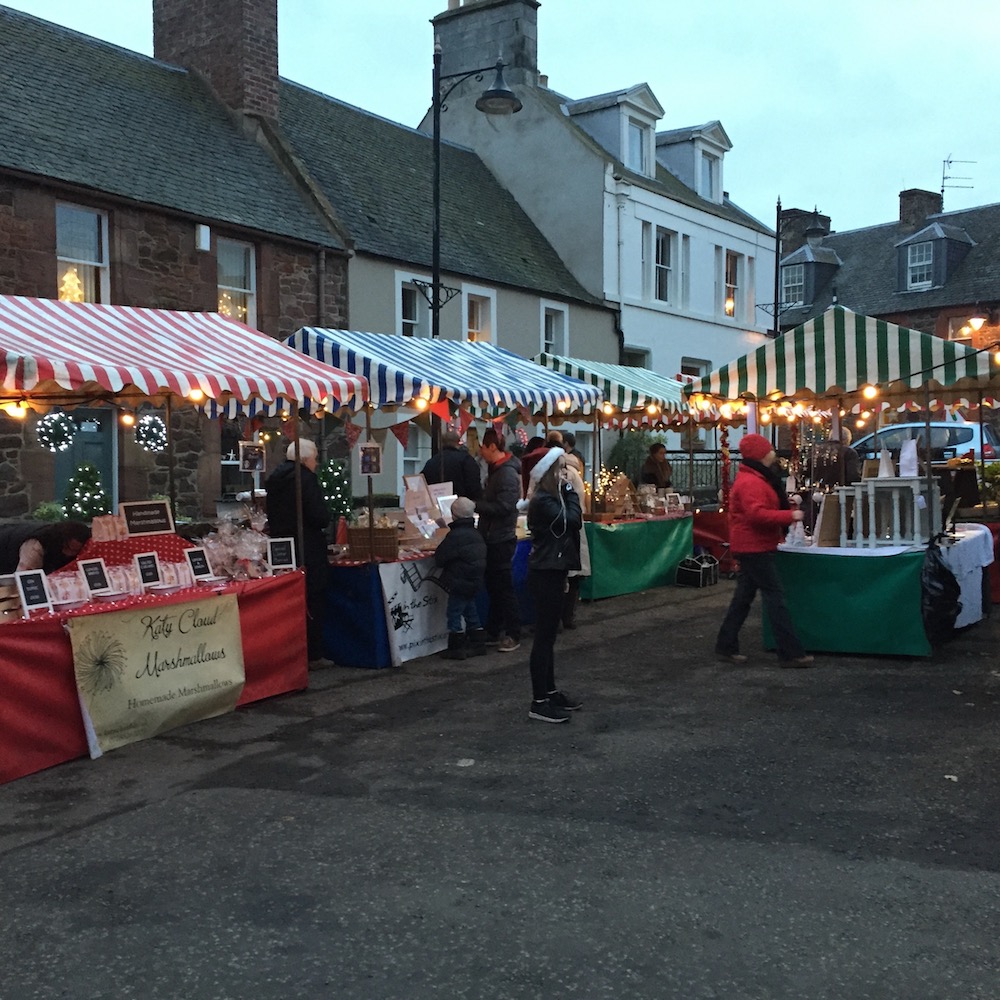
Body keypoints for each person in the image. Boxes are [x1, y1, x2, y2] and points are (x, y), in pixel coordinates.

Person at [714, 433, 813, 668]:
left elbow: (758, 510)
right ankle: (790, 652)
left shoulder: (754, 479)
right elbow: (756, 514)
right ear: (761, 454)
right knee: (774, 598)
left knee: (744, 598)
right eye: (769, 449)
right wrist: (790, 515)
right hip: (754, 546)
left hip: (752, 545)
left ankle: (726, 645)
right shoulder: (752, 482)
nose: (773, 452)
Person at [264, 438, 335, 670]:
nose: (316, 463)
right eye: (315, 459)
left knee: (288, 598)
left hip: (281, 545)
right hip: (307, 545)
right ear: (305, 459)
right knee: (313, 598)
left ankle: (289, 651)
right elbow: (319, 515)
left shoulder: (275, 479)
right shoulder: (306, 479)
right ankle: (313, 653)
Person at [524, 447, 583, 722]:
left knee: (549, 636)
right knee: (544, 637)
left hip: (553, 568)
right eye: (559, 469)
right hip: (546, 571)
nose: (564, 474)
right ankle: (539, 700)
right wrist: (571, 493)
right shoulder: (544, 500)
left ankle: (549, 690)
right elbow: (572, 520)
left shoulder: (550, 497)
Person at [475, 428, 523, 652]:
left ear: (493, 447)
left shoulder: (506, 474)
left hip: (500, 538)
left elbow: (505, 506)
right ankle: (494, 630)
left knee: (502, 587)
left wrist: (477, 505)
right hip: (492, 535)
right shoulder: (497, 471)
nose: (480, 451)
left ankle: (513, 633)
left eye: (483, 447)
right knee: (494, 587)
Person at [433, 496, 487, 659]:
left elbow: (440, 558)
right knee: (470, 610)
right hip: (474, 579)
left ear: (453, 514)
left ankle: (456, 645)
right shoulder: (476, 533)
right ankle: (478, 642)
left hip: (459, 580)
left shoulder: (455, 536)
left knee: (454, 612)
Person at [561, 452, 590, 629]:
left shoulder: (566, 476)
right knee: (572, 577)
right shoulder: (574, 473)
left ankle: (564, 617)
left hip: (569, 532)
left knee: (568, 577)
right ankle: (568, 617)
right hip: (575, 530)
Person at [0, 520, 91, 574]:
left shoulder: (85, 546)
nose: (69, 553)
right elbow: (24, 578)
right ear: (61, 541)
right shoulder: (35, 547)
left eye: (74, 551)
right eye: (67, 547)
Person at [420, 428, 483, 501]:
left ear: (442, 443)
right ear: (458, 442)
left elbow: (422, 484)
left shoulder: (432, 462)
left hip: (437, 506)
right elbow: (474, 487)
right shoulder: (466, 460)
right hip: (462, 506)